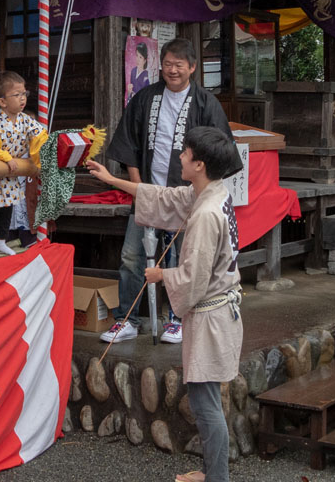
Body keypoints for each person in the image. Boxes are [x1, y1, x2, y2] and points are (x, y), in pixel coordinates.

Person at [87, 126, 243, 482]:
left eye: (186, 153)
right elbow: (164, 197)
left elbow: (193, 278)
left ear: (200, 164)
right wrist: (113, 179)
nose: (180, 157)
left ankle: (217, 478)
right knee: (208, 401)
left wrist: (160, 276)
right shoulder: (213, 193)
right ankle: (213, 473)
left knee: (206, 405)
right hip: (220, 310)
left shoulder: (205, 214)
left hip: (212, 315)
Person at [101, 37, 233, 345]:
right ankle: (127, 320)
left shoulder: (206, 103)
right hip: (148, 193)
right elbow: (128, 145)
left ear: (192, 68)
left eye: (179, 65)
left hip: (187, 196)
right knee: (132, 256)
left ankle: (178, 319)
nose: (172, 71)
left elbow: (219, 151)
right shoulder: (145, 98)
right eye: (168, 65)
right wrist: (140, 188)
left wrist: (198, 189)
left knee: (183, 259)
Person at [0, 71, 47, 259]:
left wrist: (40, 159)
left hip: (11, 171)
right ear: (2, 102)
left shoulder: (25, 120)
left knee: (9, 205)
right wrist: (5, 157)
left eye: (24, 94)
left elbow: (39, 135)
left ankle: (0, 240)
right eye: (17, 95)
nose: (22, 99)